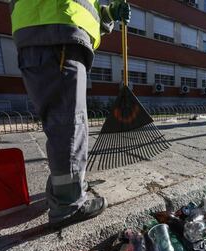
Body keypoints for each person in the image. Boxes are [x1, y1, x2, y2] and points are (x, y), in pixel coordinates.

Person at [10, 0, 131, 228]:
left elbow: (84, 7)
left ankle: (60, 190)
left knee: (58, 123)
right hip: (58, 32)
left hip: (41, 33)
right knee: (69, 126)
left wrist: (108, 14)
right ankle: (68, 206)